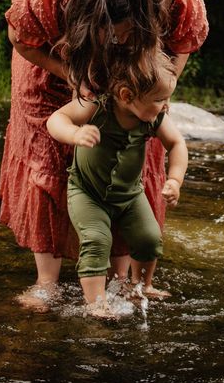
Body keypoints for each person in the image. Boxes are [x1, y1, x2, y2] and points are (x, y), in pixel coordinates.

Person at [0, 0, 208, 307]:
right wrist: (72, 77)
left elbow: (181, 46)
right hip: (53, 62)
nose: (115, 42)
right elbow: (21, 38)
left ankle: (122, 279)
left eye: (127, 33)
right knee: (48, 161)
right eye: (109, 32)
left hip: (138, 79)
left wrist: (155, 95)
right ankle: (46, 282)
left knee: (132, 161)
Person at [46, 51, 187, 319]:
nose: (166, 105)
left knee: (149, 237)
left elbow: (177, 144)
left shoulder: (155, 117)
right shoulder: (97, 107)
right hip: (87, 193)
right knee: (97, 239)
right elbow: (55, 120)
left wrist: (175, 179)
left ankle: (142, 285)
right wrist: (75, 133)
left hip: (130, 195)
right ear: (126, 95)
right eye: (160, 99)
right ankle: (96, 302)